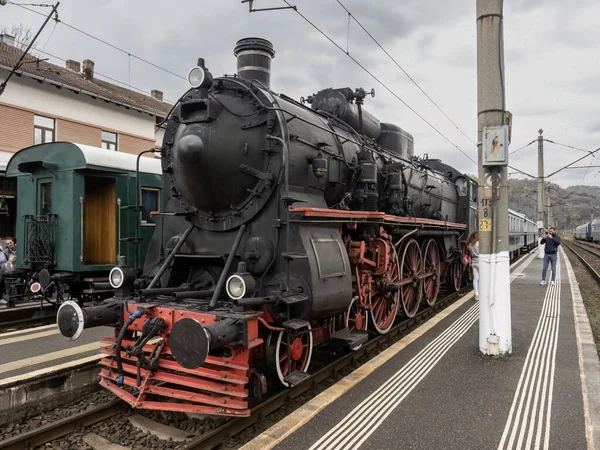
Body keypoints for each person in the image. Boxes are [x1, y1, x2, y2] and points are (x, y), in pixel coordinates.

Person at [466, 231, 480, 301]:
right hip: (480, 262)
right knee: (482, 279)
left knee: (476, 278)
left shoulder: (470, 245)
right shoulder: (478, 243)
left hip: (474, 262)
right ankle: (481, 293)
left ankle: (476, 294)